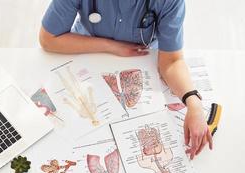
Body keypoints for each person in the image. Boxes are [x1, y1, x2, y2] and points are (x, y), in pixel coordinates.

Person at [39, 0, 213, 160]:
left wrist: (194, 104)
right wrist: (111, 46)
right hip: (86, 53)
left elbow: (172, 61)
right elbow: (48, 39)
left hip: (142, 59)